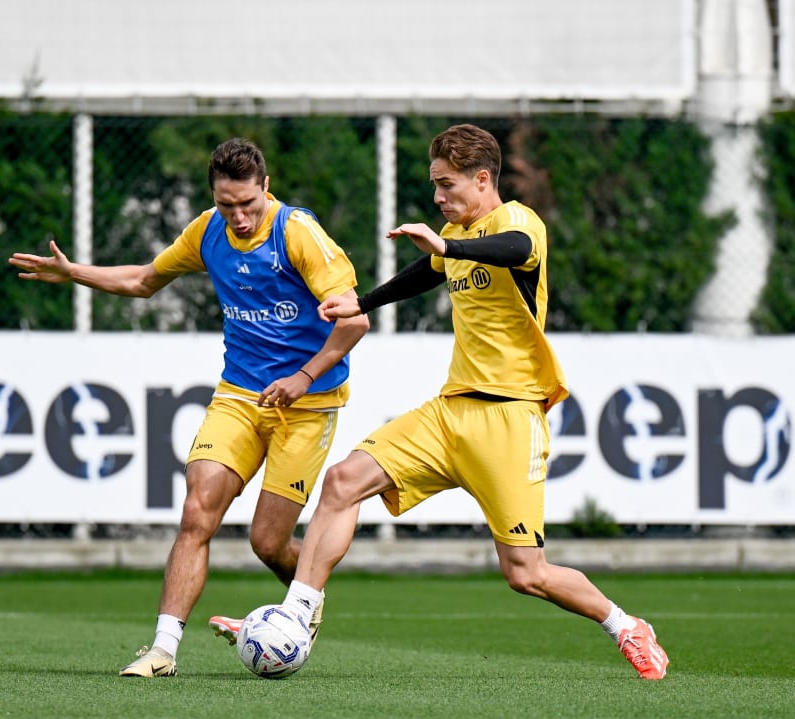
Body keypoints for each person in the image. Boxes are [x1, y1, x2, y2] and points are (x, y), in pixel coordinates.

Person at [268, 122, 668, 679]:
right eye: (435, 186)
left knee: (526, 574)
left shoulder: (515, 221)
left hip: (510, 417)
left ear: (483, 180)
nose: (438, 197)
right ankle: (294, 618)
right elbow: (423, 274)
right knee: (342, 482)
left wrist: (449, 243)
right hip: (449, 411)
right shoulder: (455, 235)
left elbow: (516, 250)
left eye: (447, 185)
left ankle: (625, 625)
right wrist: (361, 302)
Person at [9, 137, 370, 677]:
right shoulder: (207, 232)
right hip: (240, 394)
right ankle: (162, 650)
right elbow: (145, 280)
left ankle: (303, 605)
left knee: (268, 542)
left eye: (249, 204)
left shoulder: (297, 233)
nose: (240, 217)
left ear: (266, 189)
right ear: (214, 197)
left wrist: (303, 375)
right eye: (228, 205)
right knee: (198, 509)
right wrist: (76, 272)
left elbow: (355, 320)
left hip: (309, 401)